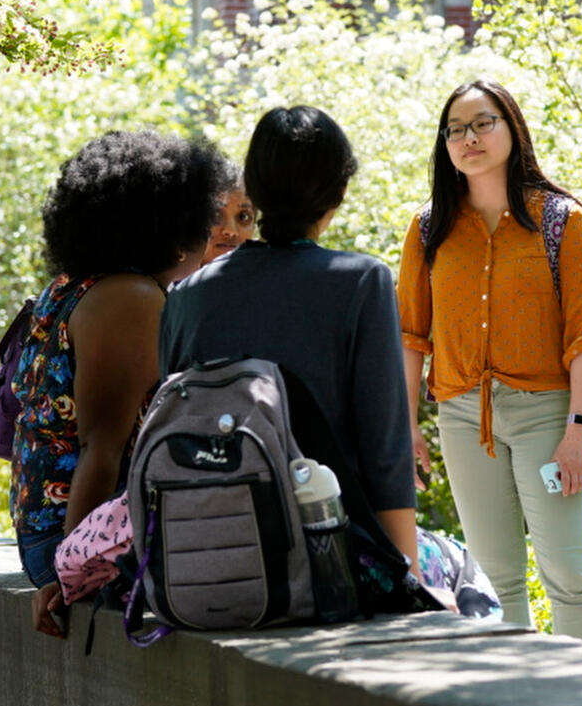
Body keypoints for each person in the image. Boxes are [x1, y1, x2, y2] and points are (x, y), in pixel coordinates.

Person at [160, 106, 421, 569]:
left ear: (255, 193)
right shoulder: (362, 281)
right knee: (467, 577)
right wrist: (408, 574)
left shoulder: (185, 294)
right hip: (331, 556)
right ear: (337, 193)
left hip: (208, 554)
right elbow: (386, 451)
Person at [397, 80, 582, 641]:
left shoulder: (562, 221)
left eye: (482, 123)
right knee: (495, 580)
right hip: (463, 416)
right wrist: (408, 426)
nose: (468, 138)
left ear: (513, 129)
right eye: (455, 130)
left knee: (568, 573)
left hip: (547, 414)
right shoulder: (427, 229)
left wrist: (578, 431)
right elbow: (411, 336)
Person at [10, 130, 232, 638]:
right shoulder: (130, 298)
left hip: (75, 532)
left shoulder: (74, 285)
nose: (213, 230)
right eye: (206, 215)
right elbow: (99, 449)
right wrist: (72, 575)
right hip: (76, 544)